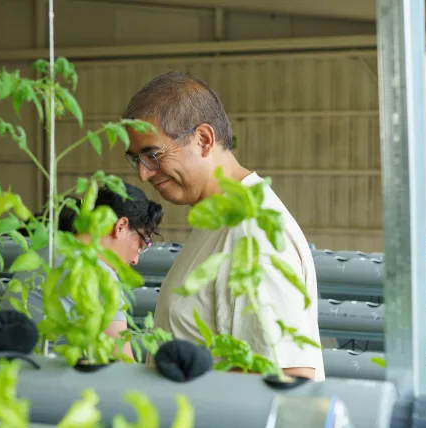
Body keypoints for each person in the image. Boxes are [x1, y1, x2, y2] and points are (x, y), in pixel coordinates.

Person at [121, 71, 325, 381]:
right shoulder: (221, 220)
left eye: (152, 155)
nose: (143, 175)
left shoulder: (250, 230)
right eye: (135, 159)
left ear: (203, 139)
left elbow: (289, 380)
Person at [1, 182, 163, 361]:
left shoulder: (44, 253)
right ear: (121, 227)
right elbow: (123, 364)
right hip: (43, 383)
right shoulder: (98, 274)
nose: (135, 260)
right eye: (141, 245)